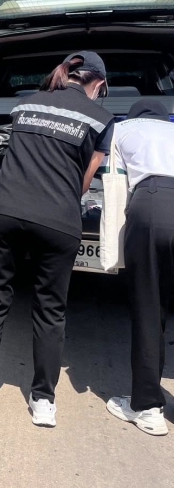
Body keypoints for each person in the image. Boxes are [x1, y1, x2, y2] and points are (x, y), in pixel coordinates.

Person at [0, 51, 115, 428]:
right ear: (99, 84)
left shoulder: (26, 104)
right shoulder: (101, 119)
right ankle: (43, 401)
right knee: (50, 309)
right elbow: (85, 180)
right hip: (57, 220)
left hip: (6, 210)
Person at [106, 99, 174, 436]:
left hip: (151, 203)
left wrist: (112, 247)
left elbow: (115, 185)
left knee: (150, 307)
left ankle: (148, 409)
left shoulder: (121, 129)